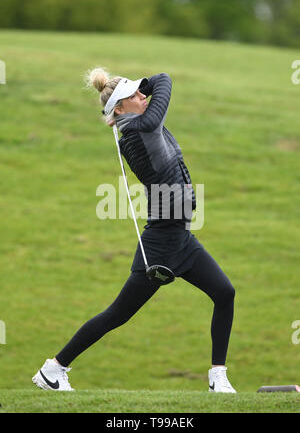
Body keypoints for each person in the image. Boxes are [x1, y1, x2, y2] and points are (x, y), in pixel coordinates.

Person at [32, 68, 236, 393]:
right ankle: (53, 369)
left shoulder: (138, 124)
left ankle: (217, 377)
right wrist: (144, 85)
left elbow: (156, 86)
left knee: (225, 294)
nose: (144, 96)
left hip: (179, 236)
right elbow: (165, 80)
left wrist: (133, 87)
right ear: (120, 109)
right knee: (116, 315)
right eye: (135, 95)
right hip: (162, 244)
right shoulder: (143, 126)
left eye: (142, 93)